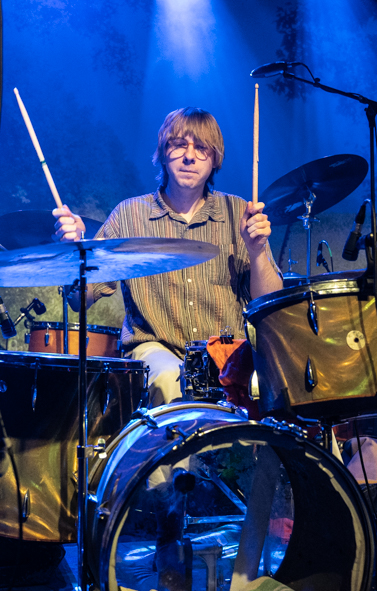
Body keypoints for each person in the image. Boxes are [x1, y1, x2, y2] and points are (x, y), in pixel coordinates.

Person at [52, 107, 284, 407]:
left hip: (227, 356)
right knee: (170, 377)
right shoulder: (129, 215)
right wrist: (74, 253)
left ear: (215, 158)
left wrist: (256, 252)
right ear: (163, 152)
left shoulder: (238, 212)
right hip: (155, 350)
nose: (190, 156)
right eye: (179, 145)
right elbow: (79, 299)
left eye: (201, 148)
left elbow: (269, 304)